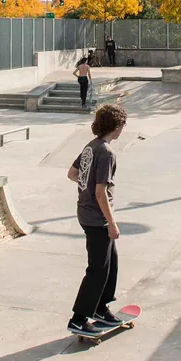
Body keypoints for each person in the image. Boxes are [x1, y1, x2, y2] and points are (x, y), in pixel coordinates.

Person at [67, 104, 128, 336]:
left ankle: (101, 308)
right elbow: (101, 192)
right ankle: (78, 319)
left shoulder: (91, 147)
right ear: (117, 126)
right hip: (97, 218)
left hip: (86, 212)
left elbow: (72, 174)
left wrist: (87, 186)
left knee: (110, 263)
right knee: (98, 270)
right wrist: (111, 223)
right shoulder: (106, 152)